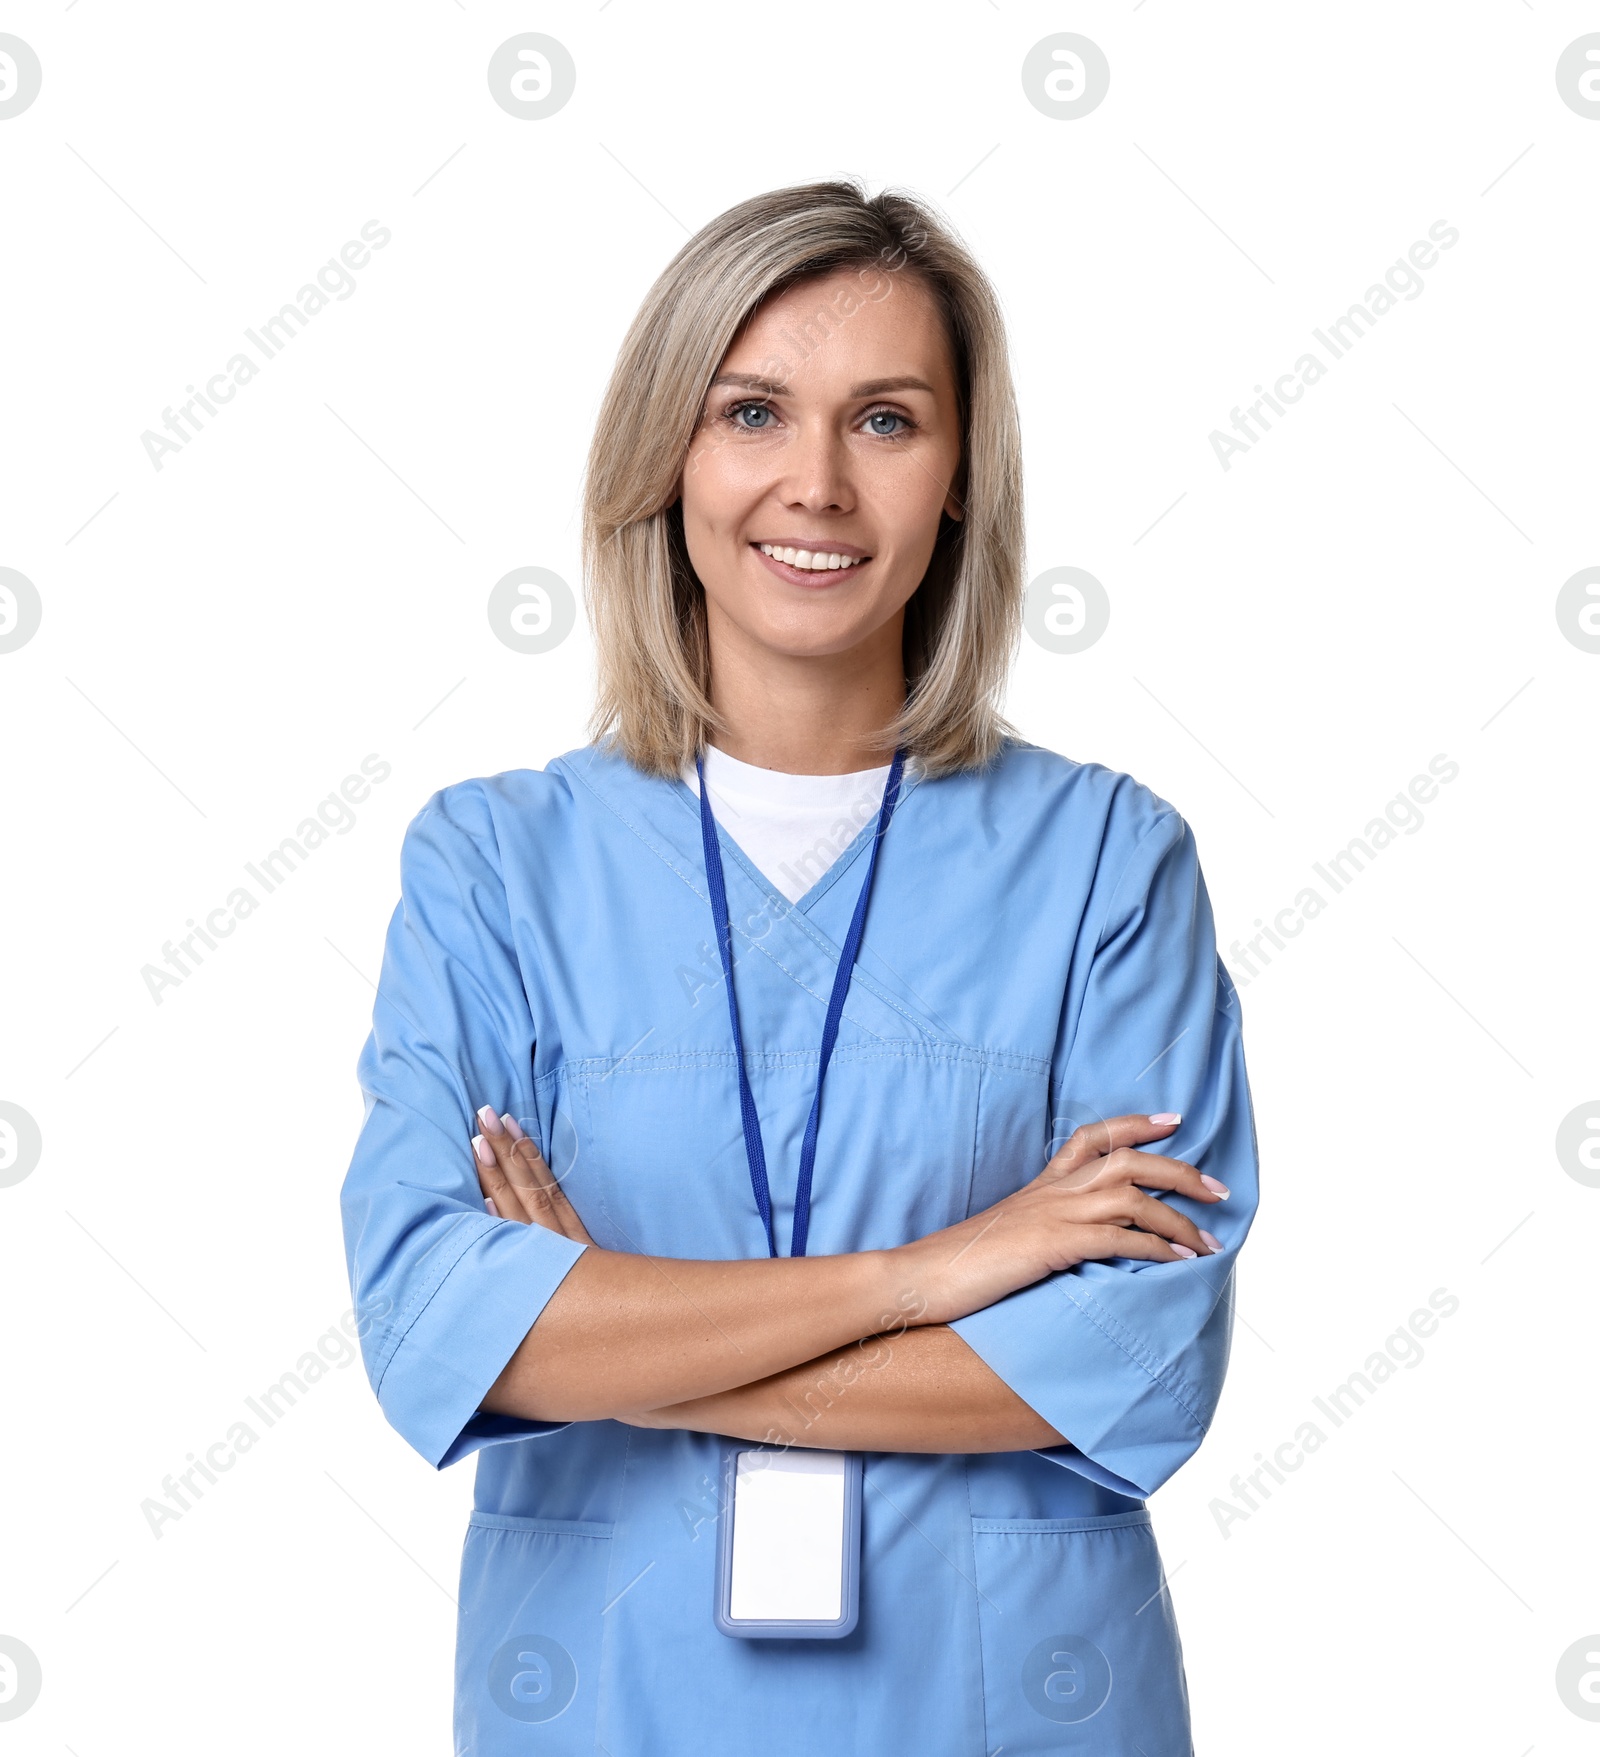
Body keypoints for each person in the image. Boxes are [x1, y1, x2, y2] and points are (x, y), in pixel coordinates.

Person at [340, 177, 1258, 1755]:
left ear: (963, 475)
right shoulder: (493, 868)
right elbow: (436, 1322)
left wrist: (618, 1345)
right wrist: (936, 1273)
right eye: (753, 411)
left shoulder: (1109, 863)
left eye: (887, 420)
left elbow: (1131, 1356)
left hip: (1012, 1703)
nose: (816, 485)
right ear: (667, 458)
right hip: (611, 1699)